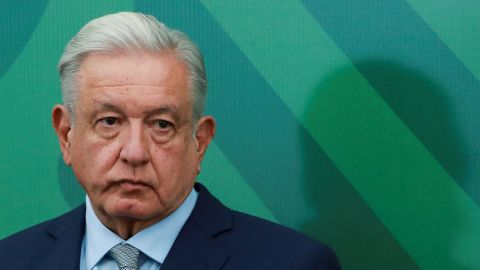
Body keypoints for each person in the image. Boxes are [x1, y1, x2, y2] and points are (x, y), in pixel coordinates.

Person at [0, 12, 340, 269]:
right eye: (109, 121)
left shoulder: (291, 263)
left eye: (161, 125)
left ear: (200, 142)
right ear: (66, 135)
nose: (134, 152)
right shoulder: (12, 260)